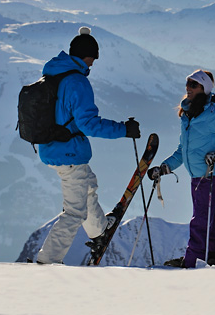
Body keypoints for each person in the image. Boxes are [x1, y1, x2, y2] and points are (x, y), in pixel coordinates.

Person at [35, 26, 140, 265]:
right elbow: (89, 124)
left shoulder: (54, 73)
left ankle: (99, 229)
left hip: (53, 148)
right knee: (74, 212)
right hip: (68, 152)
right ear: (86, 55)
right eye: (93, 57)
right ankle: (47, 263)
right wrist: (124, 129)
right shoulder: (76, 82)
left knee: (88, 185)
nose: (93, 63)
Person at [148, 69, 215, 267]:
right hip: (197, 175)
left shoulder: (212, 115)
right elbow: (183, 150)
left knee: (200, 219)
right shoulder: (189, 115)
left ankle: (193, 262)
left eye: (193, 84)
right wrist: (165, 167)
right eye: (188, 83)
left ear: (204, 88)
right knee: (209, 215)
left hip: (209, 175)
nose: (188, 88)